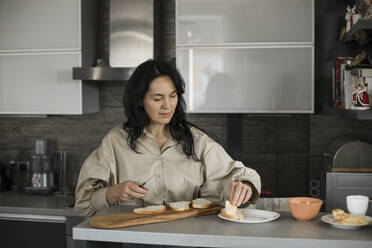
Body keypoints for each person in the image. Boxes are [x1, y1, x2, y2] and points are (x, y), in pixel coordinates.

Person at [74, 59, 261, 216]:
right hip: (134, 241)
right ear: (140, 100)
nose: (168, 105)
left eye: (173, 96)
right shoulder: (115, 141)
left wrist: (245, 186)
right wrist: (112, 193)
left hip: (186, 240)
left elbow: (241, 175)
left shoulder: (197, 141)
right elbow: (82, 204)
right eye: (157, 98)